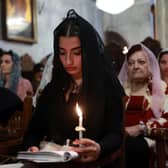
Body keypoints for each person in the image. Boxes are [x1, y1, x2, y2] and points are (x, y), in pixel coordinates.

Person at [22, 9, 124, 167]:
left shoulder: (107, 87)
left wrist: (99, 147)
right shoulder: (53, 89)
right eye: (62, 53)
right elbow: (34, 131)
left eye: (76, 53)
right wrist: (32, 147)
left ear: (88, 52)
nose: (68, 61)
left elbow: (115, 134)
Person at [118, 43, 168, 168]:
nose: (135, 66)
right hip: (120, 139)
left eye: (141, 62)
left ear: (150, 66)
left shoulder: (161, 89)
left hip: (152, 142)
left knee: (135, 146)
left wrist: (141, 128)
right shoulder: (120, 91)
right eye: (131, 63)